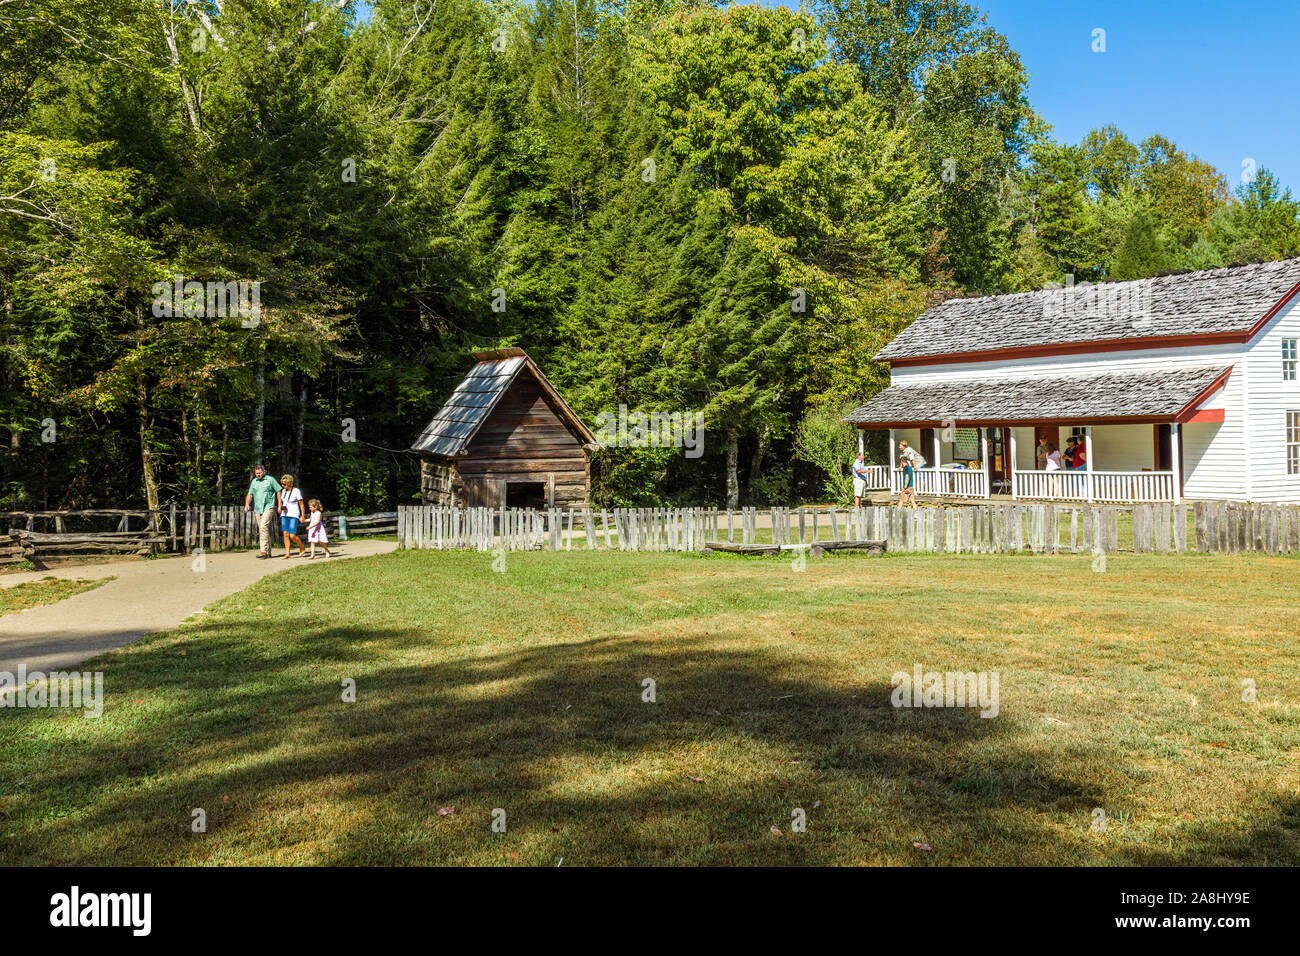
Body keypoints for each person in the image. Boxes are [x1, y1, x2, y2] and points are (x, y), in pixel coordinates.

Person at [243, 464, 282, 558]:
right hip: (258, 508)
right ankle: (268, 552)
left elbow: (279, 491)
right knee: (263, 529)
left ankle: (263, 551)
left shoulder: (270, 480)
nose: (258, 475)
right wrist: (247, 504)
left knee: (263, 527)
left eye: (260, 473)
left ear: (264, 472)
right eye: (257, 473)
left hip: (269, 507)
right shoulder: (254, 482)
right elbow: (250, 494)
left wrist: (280, 505)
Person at [277, 474, 306, 559]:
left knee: (292, 535)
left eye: (284, 484)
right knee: (285, 534)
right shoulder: (283, 491)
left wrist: (303, 515)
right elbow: (283, 502)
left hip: (294, 515)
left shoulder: (296, 491)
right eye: (282, 484)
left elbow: (301, 504)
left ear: (290, 483)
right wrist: (281, 507)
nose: (283, 486)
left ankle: (301, 546)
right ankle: (287, 553)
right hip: (284, 515)